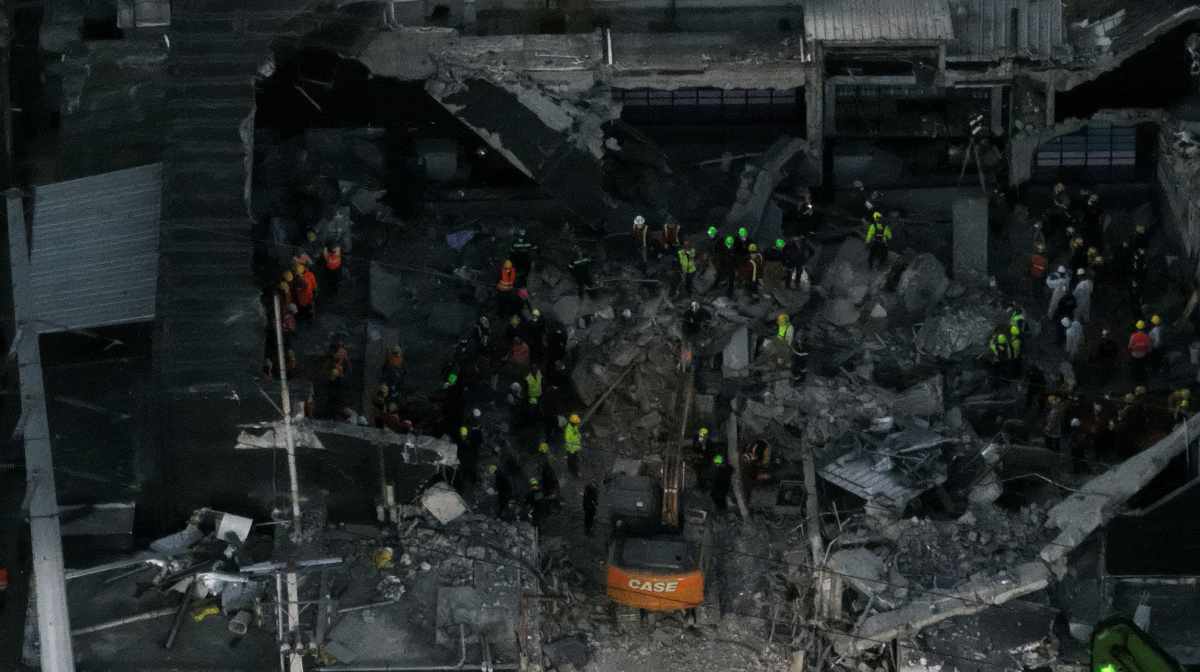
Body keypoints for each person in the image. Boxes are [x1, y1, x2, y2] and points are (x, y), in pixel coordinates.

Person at [564, 413, 583, 477]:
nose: (577, 423)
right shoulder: (568, 431)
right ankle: (575, 472)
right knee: (573, 461)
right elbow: (568, 442)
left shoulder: (574, 426)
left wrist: (580, 436)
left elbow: (577, 433)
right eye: (576, 423)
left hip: (576, 448)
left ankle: (570, 463)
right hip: (571, 450)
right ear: (573, 423)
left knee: (573, 459)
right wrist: (572, 451)